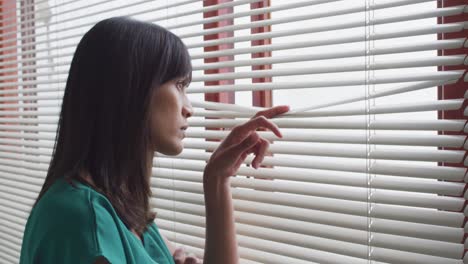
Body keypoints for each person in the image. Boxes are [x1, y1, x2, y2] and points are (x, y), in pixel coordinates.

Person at [19, 17, 289, 264]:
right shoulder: (83, 220)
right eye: (180, 85)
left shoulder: (124, 213)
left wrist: (217, 180)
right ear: (130, 90)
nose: (189, 108)